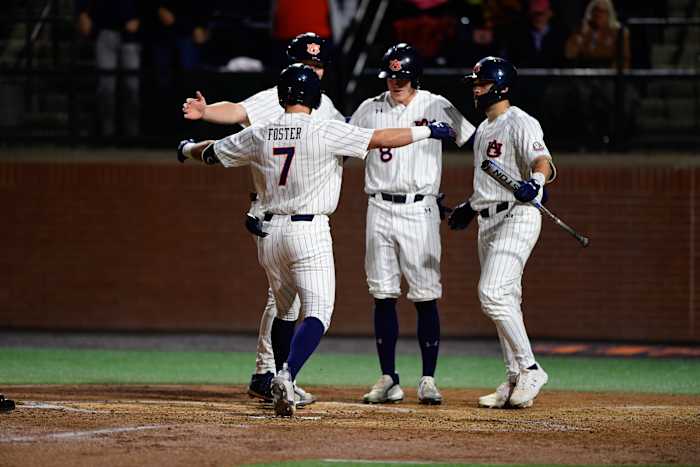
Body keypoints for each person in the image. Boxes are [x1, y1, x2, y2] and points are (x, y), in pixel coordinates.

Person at [177, 64, 456, 416]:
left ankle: (282, 377)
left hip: (269, 233)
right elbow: (381, 138)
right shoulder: (326, 129)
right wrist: (426, 131)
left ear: (281, 96)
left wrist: (186, 147)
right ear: (314, 97)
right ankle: (288, 376)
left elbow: (211, 152)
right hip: (308, 230)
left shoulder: (261, 131)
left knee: (285, 310)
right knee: (319, 313)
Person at [182, 32, 343, 407]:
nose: (313, 70)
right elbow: (237, 111)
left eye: (318, 64)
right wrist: (207, 113)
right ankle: (269, 372)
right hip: (270, 208)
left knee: (281, 301)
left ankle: (267, 373)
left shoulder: (326, 105)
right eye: (306, 63)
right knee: (283, 302)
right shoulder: (274, 98)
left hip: (293, 207)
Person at [349, 43, 475, 405]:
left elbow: (472, 138)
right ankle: (389, 377)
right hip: (379, 206)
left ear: (415, 76)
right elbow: (341, 144)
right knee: (382, 293)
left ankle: (428, 378)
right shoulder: (369, 107)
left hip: (420, 208)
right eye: (391, 76)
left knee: (425, 295)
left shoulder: (437, 104)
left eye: (402, 76)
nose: (395, 83)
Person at [448, 56, 556, 409]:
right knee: (507, 299)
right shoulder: (483, 129)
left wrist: (535, 182)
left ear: (502, 86)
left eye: (482, 84)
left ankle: (530, 368)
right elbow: (488, 183)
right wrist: (470, 205)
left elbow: (543, 162)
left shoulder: (519, 121)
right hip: (489, 219)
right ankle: (512, 378)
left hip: (518, 214)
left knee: (492, 293)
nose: (476, 89)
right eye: (475, 84)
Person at [76, 0, 141, 137]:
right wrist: (82, 13)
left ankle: (132, 133)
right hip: (104, 30)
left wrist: (140, 18)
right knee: (106, 86)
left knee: (132, 86)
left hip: (130, 34)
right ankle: (108, 132)